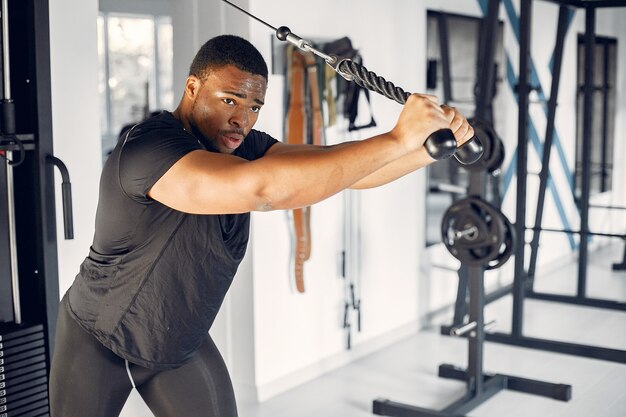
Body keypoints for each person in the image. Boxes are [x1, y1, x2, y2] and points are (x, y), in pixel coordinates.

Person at [49, 34, 473, 417]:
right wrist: (397, 139)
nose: (243, 119)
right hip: (101, 335)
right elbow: (263, 191)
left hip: (177, 338)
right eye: (230, 100)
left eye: (253, 106)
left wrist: (427, 151)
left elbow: (348, 172)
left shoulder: (243, 144)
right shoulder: (149, 147)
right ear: (192, 88)